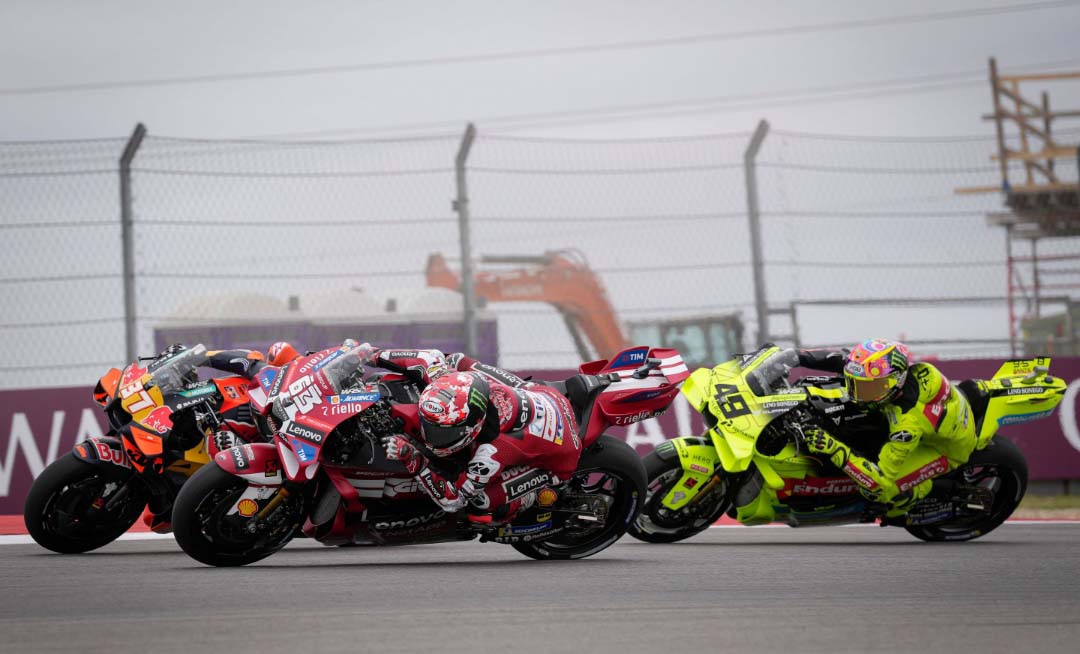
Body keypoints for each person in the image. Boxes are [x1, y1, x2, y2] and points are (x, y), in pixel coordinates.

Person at [358, 345, 581, 524]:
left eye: (441, 432)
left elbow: (453, 500)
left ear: (472, 428)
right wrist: (367, 354)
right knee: (455, 360)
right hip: (538, 393)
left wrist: (412, 457)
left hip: (561, 455)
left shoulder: (491, 454)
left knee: (480, 503)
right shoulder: (445, 378)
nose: (430, 436)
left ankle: (533, 497)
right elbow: (428, 357)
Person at [794, 338, 977, 516]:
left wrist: (833, 447)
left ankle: (919, 496)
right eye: (856, 385)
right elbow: (841, 359)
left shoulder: (906, 425)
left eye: (869, 388)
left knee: (878, 494)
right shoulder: (884, 373)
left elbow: (879, 481)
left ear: (896, 381)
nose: (858, 395)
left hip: (944, 448)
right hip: (938, 418)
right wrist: (792, 356)